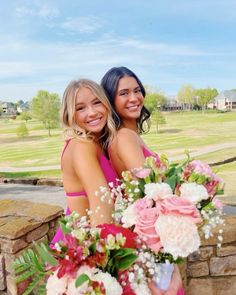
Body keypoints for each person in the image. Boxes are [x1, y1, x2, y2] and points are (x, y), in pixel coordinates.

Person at [101, 67, 184, 295]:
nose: (134, 98)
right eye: (124, 93)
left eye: (137, 90)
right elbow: (149, 194)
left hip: (148, 237)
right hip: (148, 241)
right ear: (110, 100)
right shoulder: (125, 137)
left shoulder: (125, 135)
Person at [51, 79, 117, 245]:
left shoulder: (94, 143)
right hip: (84, 250)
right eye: (81, 108)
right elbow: (101, 206)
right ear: (70, 114)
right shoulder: (82, 146)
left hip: (89, 243)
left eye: (97, 103)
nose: (92, 112)